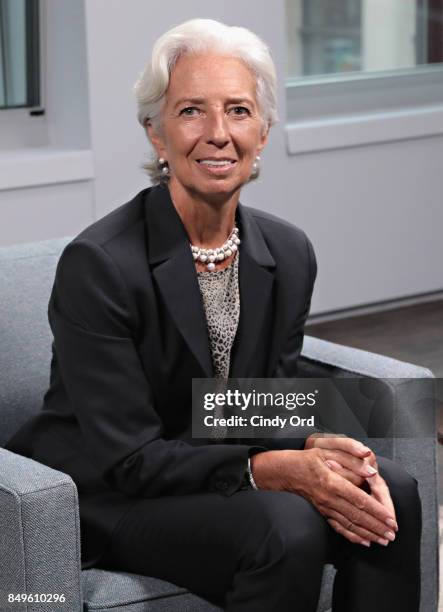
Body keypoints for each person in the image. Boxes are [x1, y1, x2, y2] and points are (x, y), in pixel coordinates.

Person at [5, 18, 421, 612]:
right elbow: (129, 457)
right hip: (117, 494)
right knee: (286, 526)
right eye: (192, 111)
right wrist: (266, 467)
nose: (218, 134)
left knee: (395, 493)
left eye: (239, 110)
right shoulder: (98, 264)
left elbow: (258, 399)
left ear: (265, 130)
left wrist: (314, 440)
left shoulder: (288, 251)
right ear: (156, 132)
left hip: (211, 465)